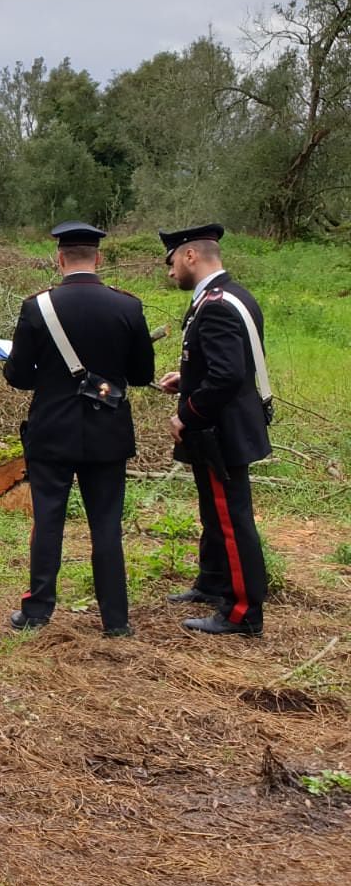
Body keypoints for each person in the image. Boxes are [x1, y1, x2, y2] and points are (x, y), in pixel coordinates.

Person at [2, 222, 156, 636]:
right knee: (106, 525)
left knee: (48, 520)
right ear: (99, 259)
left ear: (60, 259)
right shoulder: (128, 307)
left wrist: (49, 377)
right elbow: (142, 374)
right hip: (108, 432)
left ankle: (37, 611)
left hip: (52, 431)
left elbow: (17, 376)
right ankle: (116, 621)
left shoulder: (38, 307)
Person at [156, 224, 270, 636]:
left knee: (231, 518)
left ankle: (242, 611)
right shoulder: (230, 295)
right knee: (214, 511)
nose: (169, 272)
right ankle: (212, 582)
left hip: (219, 431)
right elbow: (225, 366)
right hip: (221, 427)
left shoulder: (218, 304)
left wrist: (186, 414)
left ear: (190, 255)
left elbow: (226, 376)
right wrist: (185, 380)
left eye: (171, 262)